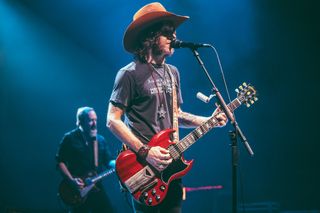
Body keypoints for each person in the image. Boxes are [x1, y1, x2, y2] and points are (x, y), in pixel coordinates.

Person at [106, 2, 227, 213]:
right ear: (150, 37)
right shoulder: (129, 74)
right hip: (142, 167)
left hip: (171, 167)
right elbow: (112, 120)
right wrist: (146, 151)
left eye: (174, 32)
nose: (174, 38)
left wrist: (209, 120)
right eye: (167, 33)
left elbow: (176, 115)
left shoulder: (173, 72)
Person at [56, 106, 115, 213]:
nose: (94, 123)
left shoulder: (100, 140)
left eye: (95, 120)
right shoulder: (69, 138)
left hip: (96, 186)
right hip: (77, 189)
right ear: (81, 122)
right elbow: (60, 162)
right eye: (91, 120)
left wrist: (118, 163)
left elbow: (108, 161)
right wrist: (71, 180)